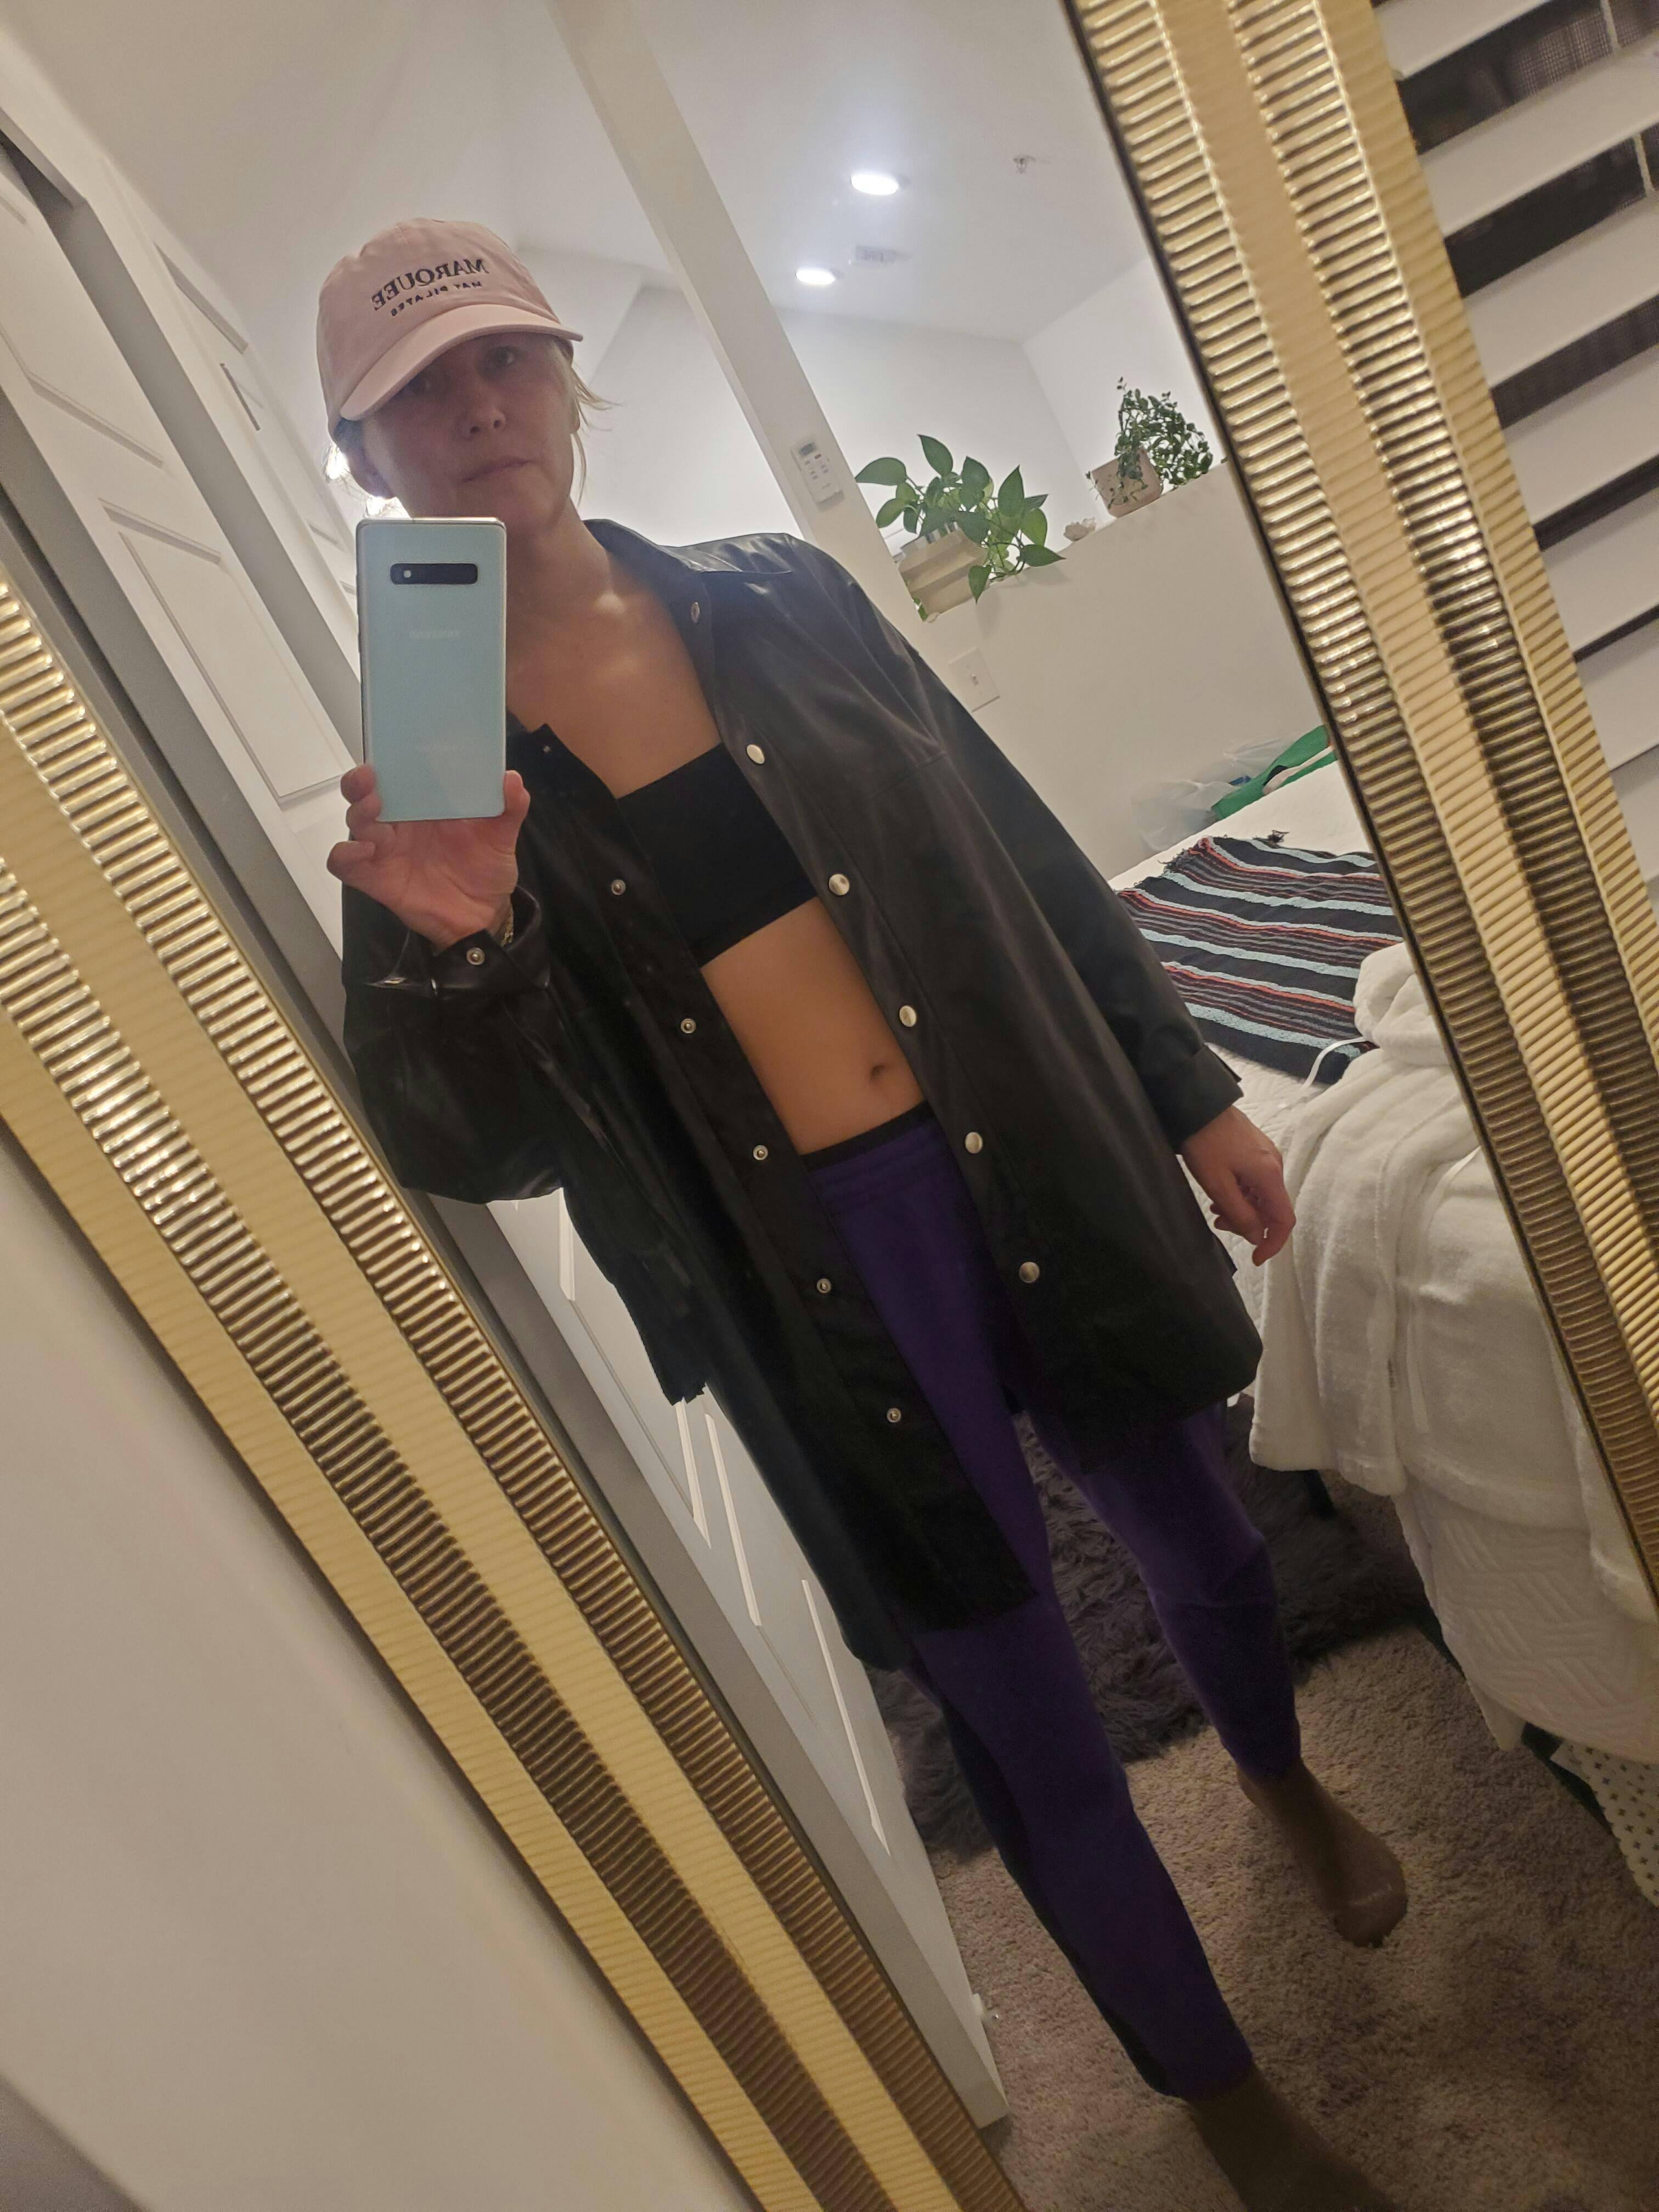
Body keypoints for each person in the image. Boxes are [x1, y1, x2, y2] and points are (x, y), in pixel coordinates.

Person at [319, 219, 1405, 2212]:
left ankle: (1281, 1777)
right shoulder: (431, 739)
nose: (476, 408)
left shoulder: (782, 593)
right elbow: (468, 1146)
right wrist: (459, 949)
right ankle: (1221, 2093)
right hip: (806, 1277)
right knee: (1022, 1710)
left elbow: (1013, 845)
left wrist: (1184, 1090)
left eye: (506, 359)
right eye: (418, 393)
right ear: (365, 455)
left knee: (1212, 1536)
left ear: (566, 380)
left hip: (1034, 1147)